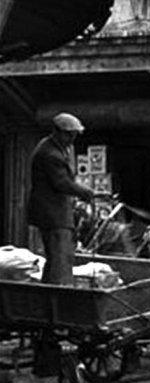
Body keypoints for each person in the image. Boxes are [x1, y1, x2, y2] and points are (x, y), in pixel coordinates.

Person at [27, 112, 96, 284]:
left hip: (57, 211)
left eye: (74, 135)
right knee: (61, 258)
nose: (72, 139)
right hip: (52, 214)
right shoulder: (50, 153)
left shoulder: (60, 148)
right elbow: (62, 183)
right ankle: (61, 297)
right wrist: (85, 192)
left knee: (56, 259)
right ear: (58, 132)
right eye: (69, 134)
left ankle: (50, 298)